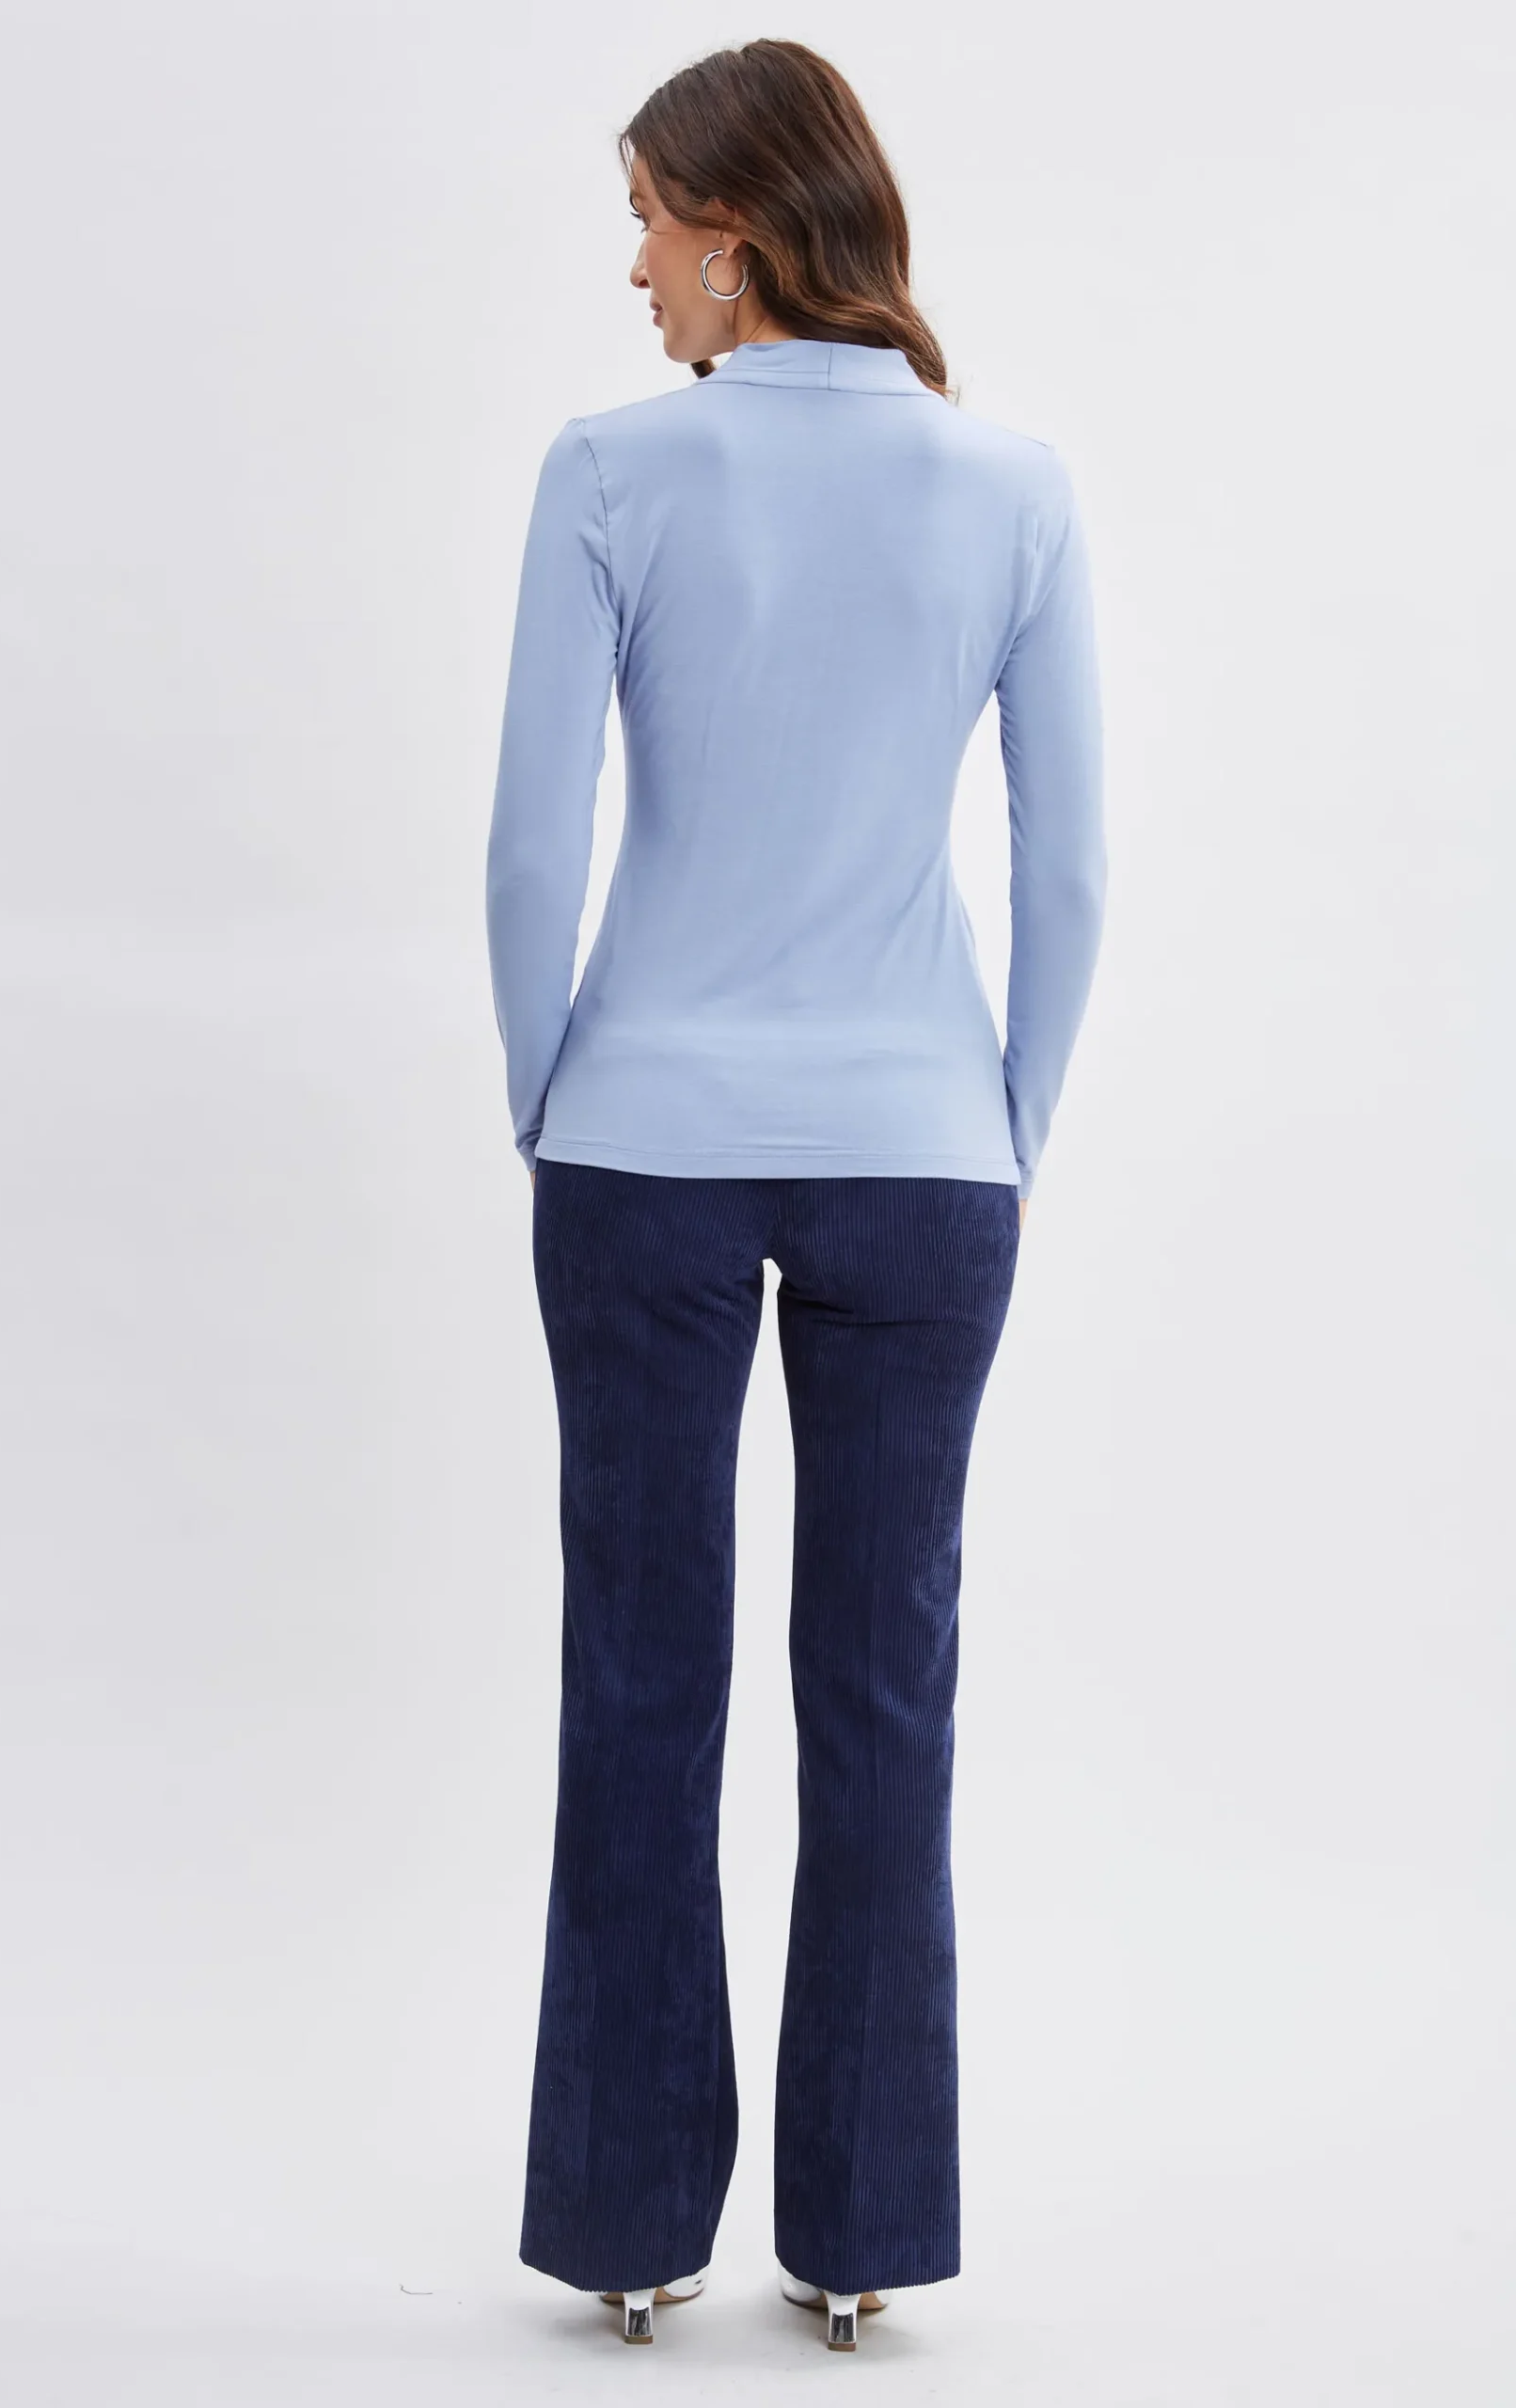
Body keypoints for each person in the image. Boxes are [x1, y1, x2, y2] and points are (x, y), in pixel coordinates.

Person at [484, 38, 1105, 2355]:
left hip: (641, 1144)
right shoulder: (1010, 489)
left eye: (650, 220)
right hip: (923, 1153)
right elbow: (1073, 864)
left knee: (638, 1679)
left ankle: (629, 2223)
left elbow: (530, 849)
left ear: (734, 237)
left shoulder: (609, 472)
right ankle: (855, 2237)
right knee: (885, 1686)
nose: (636, 266)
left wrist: (552, 1089)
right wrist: (1002, 1116)